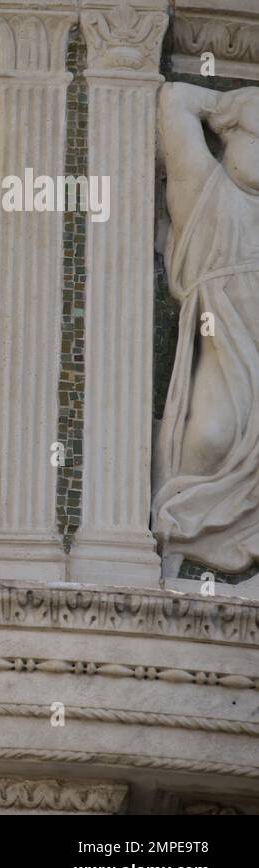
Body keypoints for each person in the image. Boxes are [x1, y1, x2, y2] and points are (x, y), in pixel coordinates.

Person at [152, 82, 259, 586]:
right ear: (231, 136)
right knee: (211, 437)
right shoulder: (207, 193)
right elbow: (174, 98)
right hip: (228, 346)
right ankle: (172, 542)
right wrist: (228, 106)